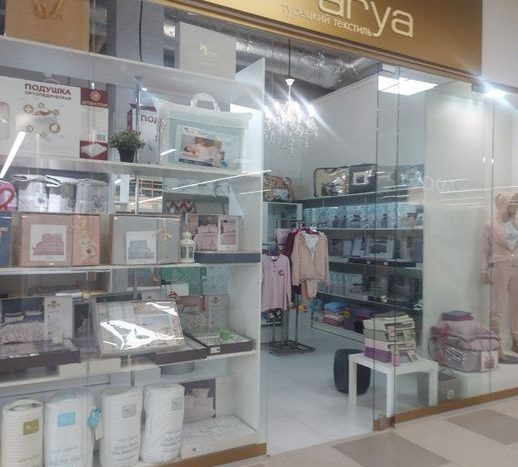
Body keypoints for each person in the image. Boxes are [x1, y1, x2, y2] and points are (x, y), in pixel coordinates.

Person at [482, 192, 518, 359]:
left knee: (516, 304)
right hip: (500, 265)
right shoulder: (490, 225)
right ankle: (496, 344)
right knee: (498, 305)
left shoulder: (516, 223)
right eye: (513, 202)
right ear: (504, 204)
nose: (516, 205)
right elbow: (485, 250)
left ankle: (516, 339)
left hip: (517, 264)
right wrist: (484, 269)